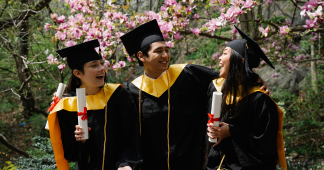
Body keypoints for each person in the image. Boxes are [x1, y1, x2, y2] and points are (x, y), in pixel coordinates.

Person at [120, 20, 270, 170]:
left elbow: (228, 79)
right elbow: (128, 135)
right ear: (141, 56)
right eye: (159, 51)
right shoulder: (132, 91)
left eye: (167, 50)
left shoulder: (187, 74)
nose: (165, 55)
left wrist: (254, 79)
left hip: (194, 163)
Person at [47, 40, 141, 170]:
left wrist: (126, 163)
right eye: (94, 65)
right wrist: (80, 141)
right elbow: (70, 154)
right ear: (78, 73)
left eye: (102, 63)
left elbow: (132, 135)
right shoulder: (68, 105)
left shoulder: (118, 95)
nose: (102, 68)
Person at [205, 26, 286, 170]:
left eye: (225, 53)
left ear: (240, 61)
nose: (219, 57)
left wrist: (232, 132)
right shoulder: (215, 87)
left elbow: (265, 145)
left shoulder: (260, 100)